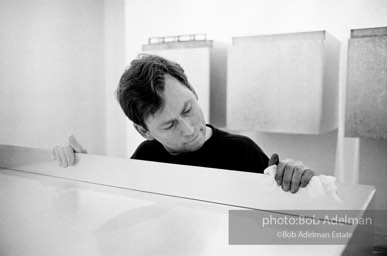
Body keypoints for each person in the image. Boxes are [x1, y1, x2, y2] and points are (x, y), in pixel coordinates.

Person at [52, 54, 314, 193]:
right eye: (168, 126)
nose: (189, 130)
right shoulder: (146, 158)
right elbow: (120, 208)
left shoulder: (242, 151)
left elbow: (272, 225)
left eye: (188, 109)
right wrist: (81, 172)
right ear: (144, 131)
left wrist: (294, 180)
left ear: (193, 91)